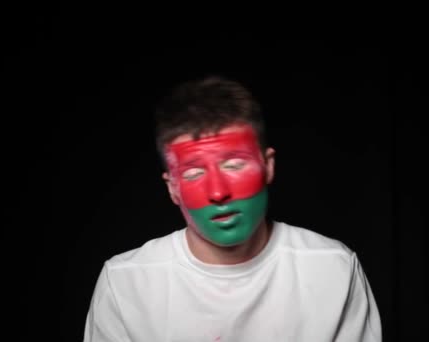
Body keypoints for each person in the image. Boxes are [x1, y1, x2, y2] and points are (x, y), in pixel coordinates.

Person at [83, 76, 382, 341]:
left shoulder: (333, 268)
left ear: (268, 166)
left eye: (234, 165)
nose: (218, 192)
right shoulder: (126, 282)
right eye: (193, 174)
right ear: (172, 187)